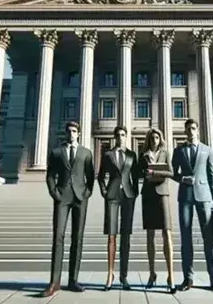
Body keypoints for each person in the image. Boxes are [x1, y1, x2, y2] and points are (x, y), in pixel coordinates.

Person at [39, 121, 95, 297]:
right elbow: (50, 175)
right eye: (69, 131)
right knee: (58, 237)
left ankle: (73, 280)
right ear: (66, 133)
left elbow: (91, 176)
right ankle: (54, 282)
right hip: (62, 197)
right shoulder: (56, 152)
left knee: (77, 238)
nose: (71, 134)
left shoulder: (86, 152)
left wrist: (87, 192)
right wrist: (54, 192)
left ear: (78, 133)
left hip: (80, 198)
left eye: (74, 131)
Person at [172, 118, 213, 293]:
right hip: (185, 196)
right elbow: (172, 172)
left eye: (193, 128)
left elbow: (212, 174)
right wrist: (182, 178)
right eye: (188, 129)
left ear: (197, 130)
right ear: (185, 131)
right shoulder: (178, 150)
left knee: (209, 238)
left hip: (205, 196)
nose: (190, 131)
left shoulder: (207, 150)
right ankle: (188, 278)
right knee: (185, 238)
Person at [97, 126, 139, 290]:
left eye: (123, 135)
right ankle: (110, 274)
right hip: (112, 196)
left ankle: (124, 276)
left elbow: (135, 175)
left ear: (126, 137)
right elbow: (101, 176)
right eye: (118, 135)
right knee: (111, 235)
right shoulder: (107, 155)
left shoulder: (132, 155)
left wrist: (135, 192)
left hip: (128, 196)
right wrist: (104, 191)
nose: (120, 137)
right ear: (114, 137)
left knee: (126, 236)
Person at [137, 128, 177, 294]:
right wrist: (144, 173)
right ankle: (152, 273)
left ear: (160, 139)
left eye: (156, 137)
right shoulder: (143, 154)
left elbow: (171, 172)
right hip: (148, 195)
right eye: (151, 137)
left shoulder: (165, 153)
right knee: (150, 235)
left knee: (167, 233)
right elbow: (138, 172)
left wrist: (154, 172)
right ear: (148, 139)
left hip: (162, 194)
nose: (154, 139)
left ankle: (171, 275)